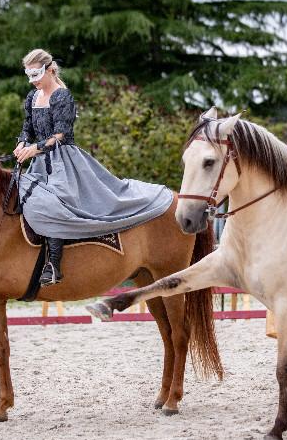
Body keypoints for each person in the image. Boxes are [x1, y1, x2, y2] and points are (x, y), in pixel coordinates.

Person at [13, 49, 173, 286]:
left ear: (50, 70)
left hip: (63, 161)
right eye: (29, 75)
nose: (33, 80)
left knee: (57, 201)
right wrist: (22, 142)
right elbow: (27, 126)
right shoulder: (32, 97)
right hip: (39, 161)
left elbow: (61, 134)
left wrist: (34, 148)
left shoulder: (62, 96)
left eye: (36, 74)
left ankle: (54, 265)